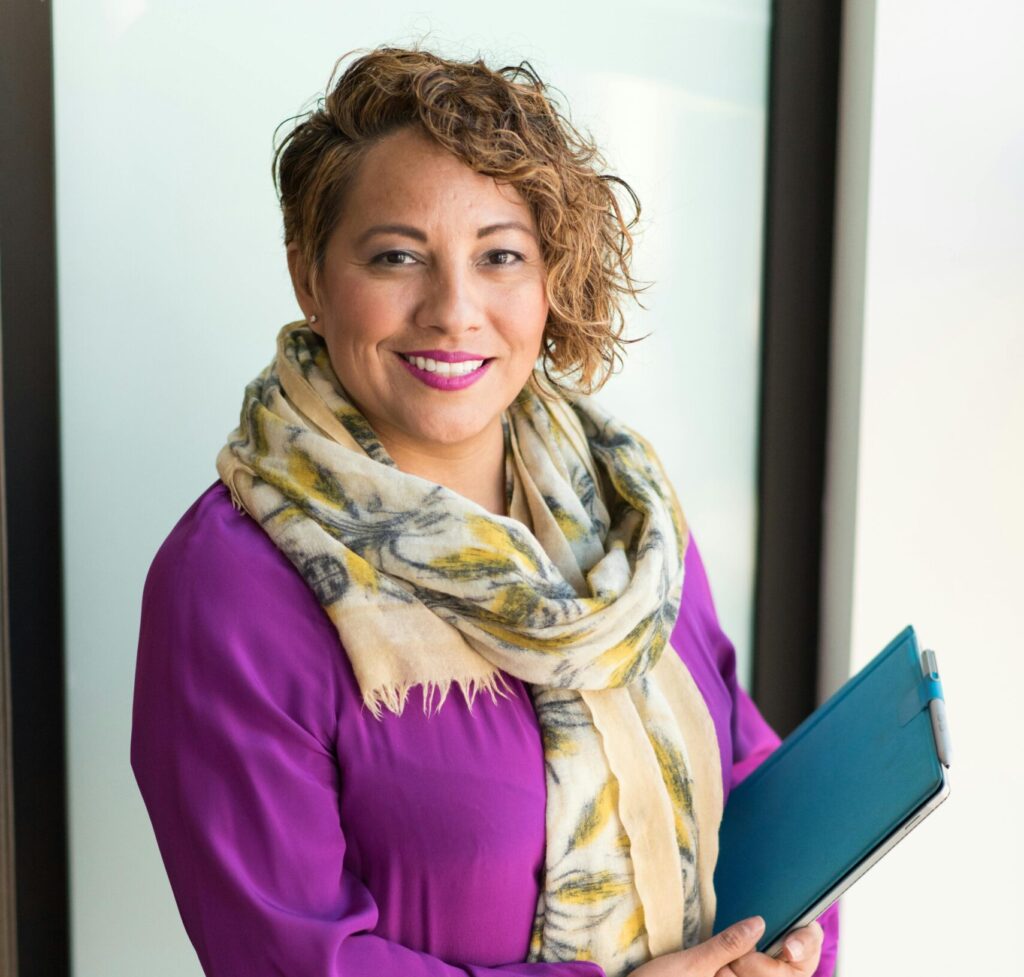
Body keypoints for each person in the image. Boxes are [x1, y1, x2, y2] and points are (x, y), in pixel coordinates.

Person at [131, 46, 838, 977]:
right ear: (309, 275)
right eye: (396, 256)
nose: (454, 310)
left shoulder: (627, 508)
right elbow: (291, 959)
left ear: (550, 278)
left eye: (500, 255)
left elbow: (740, 769)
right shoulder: (229, 587)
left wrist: (791, 939)